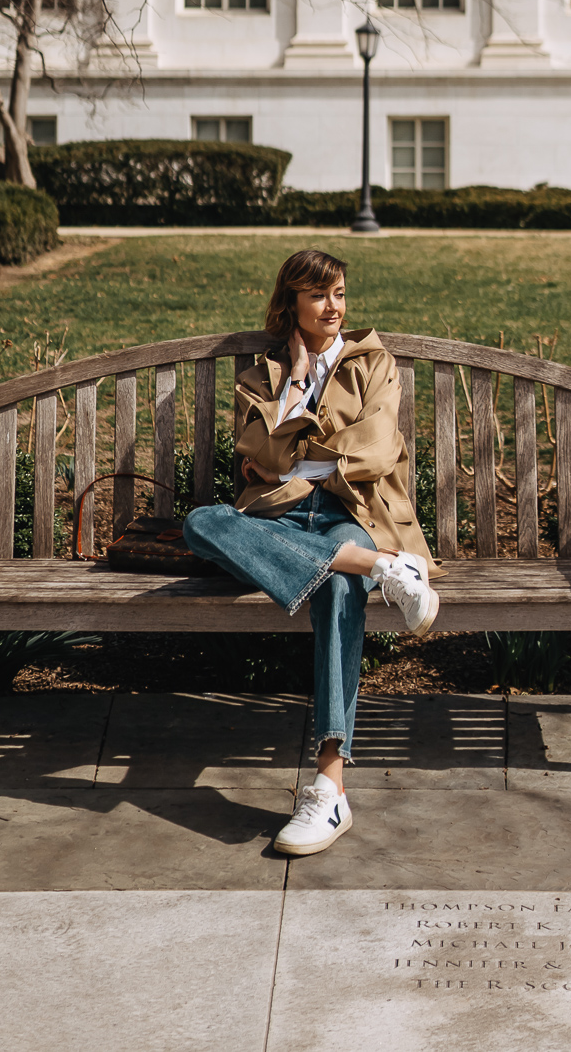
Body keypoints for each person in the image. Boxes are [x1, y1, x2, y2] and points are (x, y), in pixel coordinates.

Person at [183, 247, 439, 857]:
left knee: (336, 584)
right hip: (275, 515)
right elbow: (257, 460)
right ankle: (383, 567)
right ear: (291, 302)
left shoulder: (374, 363)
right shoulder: (261, 376)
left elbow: (375, 453)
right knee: (201, 522)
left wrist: (295, 457)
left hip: (352, 513)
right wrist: (296, 384)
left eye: (341, 294)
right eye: (320, 295)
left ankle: (329, 786)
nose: (334, 307)